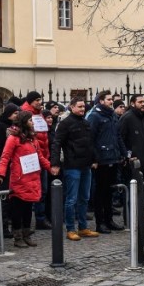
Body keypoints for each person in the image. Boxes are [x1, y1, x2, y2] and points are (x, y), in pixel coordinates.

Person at [0, 111, 50, 247]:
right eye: (30, 120)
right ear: (23, 122)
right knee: (17, 209)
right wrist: (0, 175)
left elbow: (40, 157)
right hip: (19, 179)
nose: (33, 122)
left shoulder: (33, 139)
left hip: (32, 178)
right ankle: (17, 236)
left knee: (27, 209)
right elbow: (5, 157)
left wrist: (50, 167)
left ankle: (26, 234)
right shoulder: (13, 138)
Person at [50, 99, 98, 241]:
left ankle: (83, 227)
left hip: (86, 165)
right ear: (72, 107)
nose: (83, 109)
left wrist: (94, 159)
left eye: (83, 106)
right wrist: (55, 163)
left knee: (84, 197)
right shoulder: (65, 124)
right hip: (72, 165)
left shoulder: (86, 123)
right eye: (79, 106)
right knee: (71, 199)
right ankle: (70, 228)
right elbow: (56, 143)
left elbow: (91, 143)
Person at [86, 91, 126, 232]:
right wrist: (94, 158)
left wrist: (123, 153)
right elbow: (90, 139)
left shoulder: (112, 115)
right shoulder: (94, 116)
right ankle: (100, 222)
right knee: (100, 192)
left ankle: (109, 220)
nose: (111, 101)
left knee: (109, 191)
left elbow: (117, 136)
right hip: (101, 160)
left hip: (113, 158)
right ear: (101, 101)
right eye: (108, 99)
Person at [119, 94, 144, 221]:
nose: (143, 104)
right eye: (140, 102)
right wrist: (127, 156)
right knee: (132, 189)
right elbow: (121, 138)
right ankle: (130, 217)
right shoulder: (127, 117)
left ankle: (141, 214)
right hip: (133, 160)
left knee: (142, 188)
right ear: (133, 103)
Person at [21, 92, 51, 230]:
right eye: (37, 100)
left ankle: (40, 218)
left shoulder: (39, 114)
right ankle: (30, 220)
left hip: (42, 156)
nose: (40, 102)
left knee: (42, 190)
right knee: (31, 190)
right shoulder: (25, 114)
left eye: (40, 99)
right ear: (31, 101)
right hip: (31, 158)